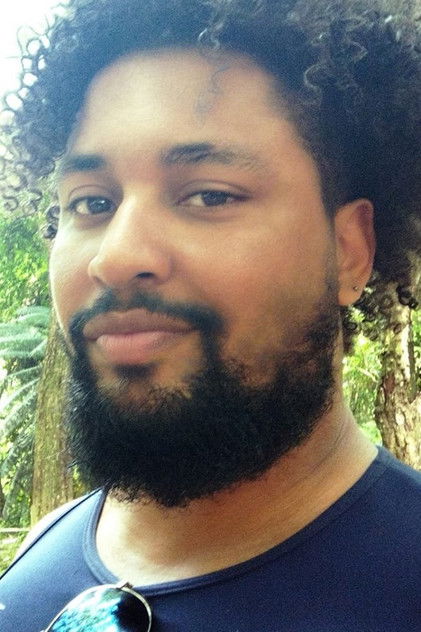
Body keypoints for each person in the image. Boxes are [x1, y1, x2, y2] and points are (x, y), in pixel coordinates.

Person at [0, 0, 420, 630]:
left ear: (349, 251)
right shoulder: (39, 553)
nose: (117, 257)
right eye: (91, 203)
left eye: (209, 195)